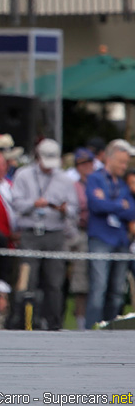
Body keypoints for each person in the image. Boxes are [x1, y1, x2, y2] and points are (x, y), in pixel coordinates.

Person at [9, 139, 77, 330]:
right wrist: (33, 204)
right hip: (30, 233)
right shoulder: (23, 175)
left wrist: (64, 209)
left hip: (55, 234)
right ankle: (24, 323)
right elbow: (16, 204)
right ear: (37, 157)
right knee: (26, 280)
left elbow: (74, 209)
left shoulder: (65, 179)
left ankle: (54, 323)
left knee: (54, 282)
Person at [85, 139, 135, 327]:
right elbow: (95, 205)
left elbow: (131, 210)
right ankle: (91, 330)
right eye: (122, 162)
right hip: (101, 238)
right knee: (99, 287)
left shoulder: (122, 184)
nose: (124, 166)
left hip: (120, 240)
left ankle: (110, 328)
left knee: (116, 291)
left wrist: (110, 204)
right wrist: (118, 205)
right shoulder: (95, 178)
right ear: (110, 159)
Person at [66, 147, 96, 329]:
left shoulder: (99, 182)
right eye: (82, 164)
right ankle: (80, 322)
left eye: (89, 163)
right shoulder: (73, 185)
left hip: (98, 233)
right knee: (80, 282)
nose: (86, 167)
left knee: (97, 281)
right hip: (80, 232)